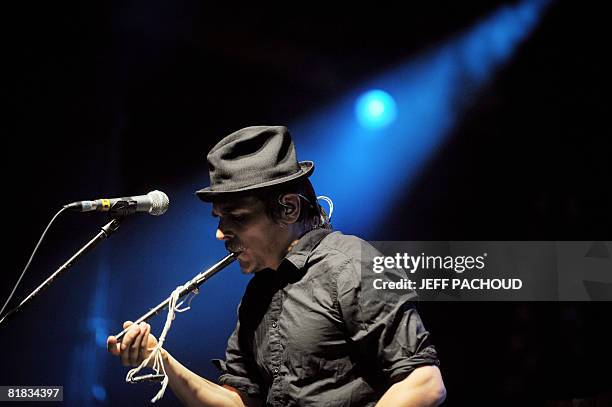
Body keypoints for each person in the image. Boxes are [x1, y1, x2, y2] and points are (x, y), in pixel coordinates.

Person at [107, 126, 446, 406]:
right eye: (219, 218)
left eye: (236, 217)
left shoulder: (350, 264)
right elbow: (238, 401)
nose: (220, 233)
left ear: (288, 209)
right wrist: (161, 360)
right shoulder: (260, 292)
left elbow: (423, 383)